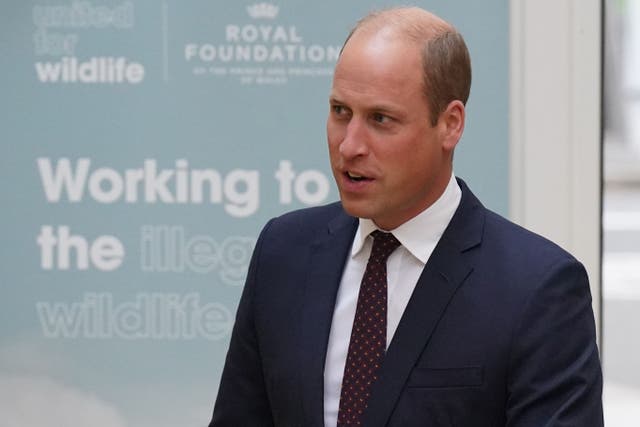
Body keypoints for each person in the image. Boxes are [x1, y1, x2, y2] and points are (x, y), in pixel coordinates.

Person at [209, 6, 603, 427]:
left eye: (380, 119)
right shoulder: (283, 252)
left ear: (450, 124)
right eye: (341, 112)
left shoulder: (538, 289)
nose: (349, 146)